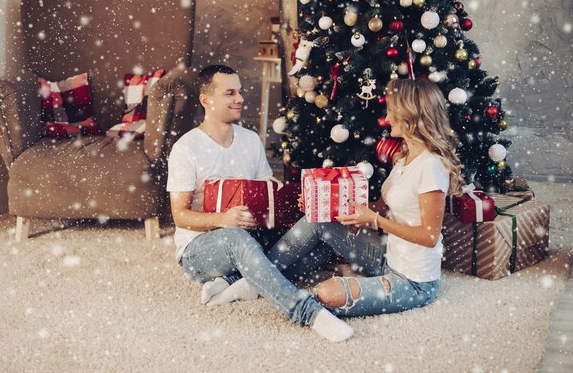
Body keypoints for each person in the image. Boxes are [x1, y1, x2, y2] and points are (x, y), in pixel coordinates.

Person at [166, 65, 354, 342]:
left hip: (253, 236)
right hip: (200, 250)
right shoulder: (186, 148)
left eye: (240, 91)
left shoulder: (251, 140)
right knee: (236, 239)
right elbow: (180, 216)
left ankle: (238, 283)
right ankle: (308, 313)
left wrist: (287, 200)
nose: (240, 98)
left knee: (319, 248)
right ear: (206, 100)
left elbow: (267, 195)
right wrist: (223, 219)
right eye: (230, 93)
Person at [263, 78, 464, 317]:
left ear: (410, 115)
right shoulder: (403, 160)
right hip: (386, 260)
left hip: (415, 281)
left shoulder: (430, 166)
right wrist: (320, 204)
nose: (387, 118)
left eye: (391, 110)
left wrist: (374, 221)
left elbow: (429, 236)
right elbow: (378, 208)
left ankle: (263, 277)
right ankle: (261, 275)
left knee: (327, 294)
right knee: (317, 219)